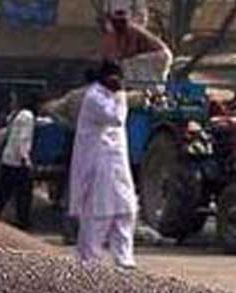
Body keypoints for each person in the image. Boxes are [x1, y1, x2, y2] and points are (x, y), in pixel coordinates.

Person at [71, 60, 137, 269]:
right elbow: (116, 118)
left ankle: (124, 262)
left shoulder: (111, 95)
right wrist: (123, 96)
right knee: (99, 214)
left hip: (116, 163)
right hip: (98, 164)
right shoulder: (95, 97)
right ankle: (88, 265)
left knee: (126, 211)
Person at [0, 91, 38, 229]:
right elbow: (24, 139)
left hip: (9, 158)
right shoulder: (28, 117)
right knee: (23, 194)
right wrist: (26, 159)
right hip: (18, 161)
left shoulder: (19, 115)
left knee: (3, 191)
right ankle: (23, 221)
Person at [100, 4, 172, 85]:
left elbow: (131, 50)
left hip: (160, 55)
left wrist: (120, 57)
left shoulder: (132, 29)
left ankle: (138, 87)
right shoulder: (119, 33)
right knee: (126, 63)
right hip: (151, 56)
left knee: (127, 64)